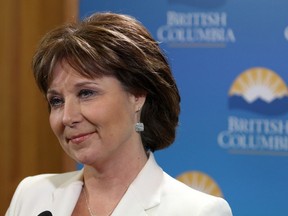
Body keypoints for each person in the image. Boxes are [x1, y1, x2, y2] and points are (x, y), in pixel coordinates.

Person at [6, 12, 232, 216]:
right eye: (56, 101)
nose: (67, 117)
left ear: (137, 96)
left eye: (86, 93)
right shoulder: (31, 196)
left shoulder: (197, 211)